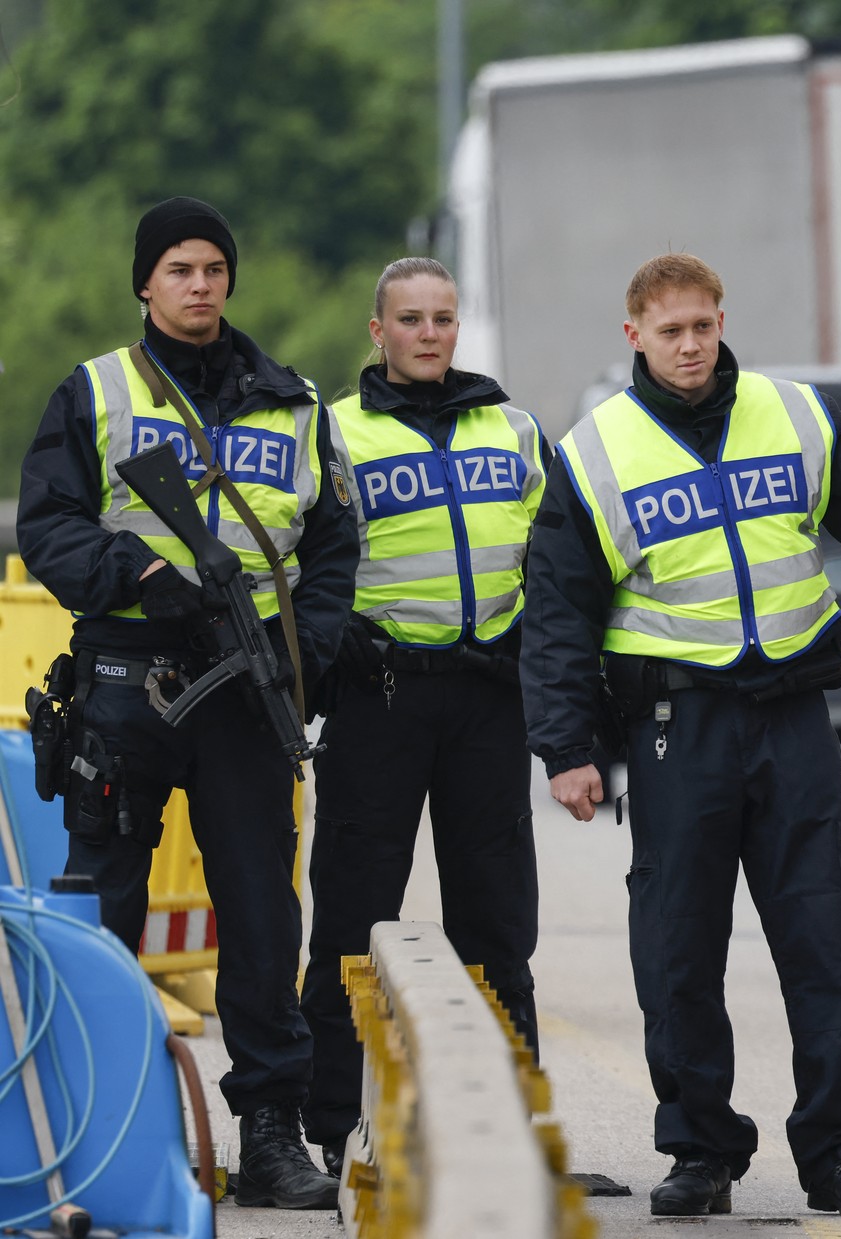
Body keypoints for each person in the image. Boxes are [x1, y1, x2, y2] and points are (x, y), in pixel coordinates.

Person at [523, 253, 841, 1219]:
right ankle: (701, 1150)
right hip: (679, 725)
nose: (690, 345)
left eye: (703, 325)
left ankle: (840, 1150)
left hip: (792, 717)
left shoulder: (792, 415)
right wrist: (567, 745)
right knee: (678, 949)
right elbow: (557, 612)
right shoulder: (595, 452)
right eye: (669, 331)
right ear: (634, 335)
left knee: (823, 939)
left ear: (721, 319)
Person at [16, 197, 356, 1209]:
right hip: (126, 683)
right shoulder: (96, 392)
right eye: (179, 269)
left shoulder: (295, 404)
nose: (199, 285)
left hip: (246, 690)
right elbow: (51, 527)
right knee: (102, 910)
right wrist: (141, 577)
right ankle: (104, 1121)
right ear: (144, 283)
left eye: (212, 268)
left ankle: (269, 1131)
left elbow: (333, 550)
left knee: (260, 912)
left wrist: (308, 658)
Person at [298, 257, 548, 1176]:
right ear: (379, 332)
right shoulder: (334, 433)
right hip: (382, 694)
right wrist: (337, 642)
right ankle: (333, 1123)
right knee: (356, 916)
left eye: (443, 317)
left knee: (497, 921)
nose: (430, 333)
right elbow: (300, 558)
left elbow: (553, 554)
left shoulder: (514, 427)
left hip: (488, 693)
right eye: (410, 319)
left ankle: (513, 1123)